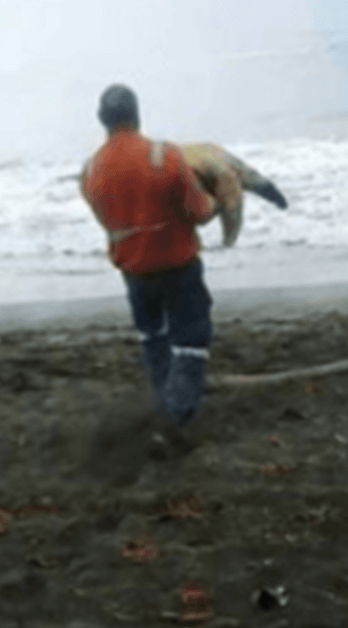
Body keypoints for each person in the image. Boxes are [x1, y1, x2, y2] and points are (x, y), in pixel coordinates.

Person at [80, 84, 217, 425]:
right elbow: (199, 212)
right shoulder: (166, 157)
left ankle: (165, 400)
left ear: (101, 120)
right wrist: (218, 199)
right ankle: (175, 419)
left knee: (153, 336)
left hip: (134, 273)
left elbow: (108, 222)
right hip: (178, 265)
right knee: (191, 339)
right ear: (137, 115)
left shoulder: (90, 171)